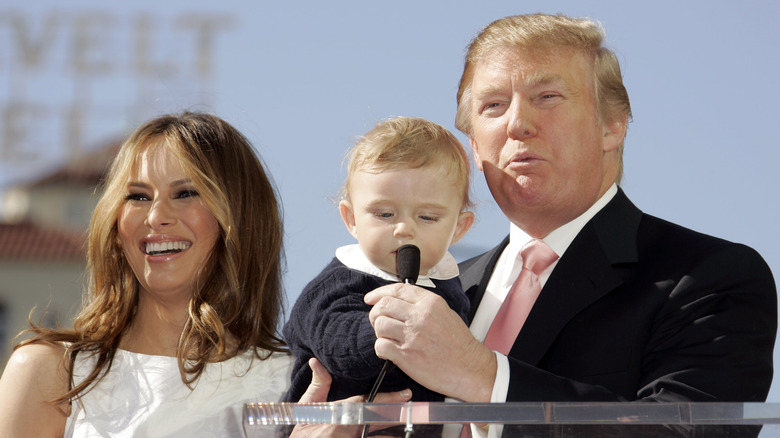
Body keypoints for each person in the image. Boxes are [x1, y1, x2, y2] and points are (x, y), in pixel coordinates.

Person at [362, 13, 777, 436]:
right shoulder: (440, 288)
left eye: (547, 96)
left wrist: (483, 376)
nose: (516, 123)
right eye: (493, 106)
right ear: (473, 143)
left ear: (612, 125)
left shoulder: (710, 276)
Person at [0, 112, 295, 437]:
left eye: (185, 193)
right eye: (138, 196)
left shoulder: (289, 382)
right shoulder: (49, 375)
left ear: (240, 217)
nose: (155, 216)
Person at [283, 116, 475, 403]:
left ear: (459, 228)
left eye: (427, 217)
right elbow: (334, 343)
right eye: (385, 214)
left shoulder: (452, 288)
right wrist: (391, 331)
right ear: (352, 219)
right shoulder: (340, 281)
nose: (404, 229)